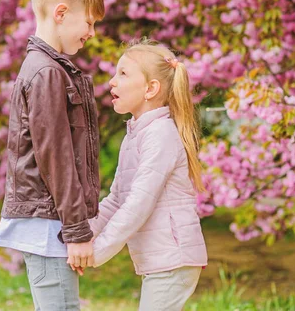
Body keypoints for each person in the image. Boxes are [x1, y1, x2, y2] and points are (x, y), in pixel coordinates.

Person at [0, 0, 104, 311]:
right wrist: (76, 231)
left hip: (51, 222)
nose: (91, 33)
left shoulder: (50, 69)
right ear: (61, 13)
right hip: (48, 226)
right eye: (89, 22)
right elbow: (56, 158)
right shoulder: (46, 73)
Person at [89, 39, 208, 311]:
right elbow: (117, 200)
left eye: (123, 74)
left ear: (150, 89)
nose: (112, 82)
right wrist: (82, 237)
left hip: (174, 259)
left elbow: (139, 204)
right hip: (160, 260)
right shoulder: (135, 135)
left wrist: (97, 253)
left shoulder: (161, 134)